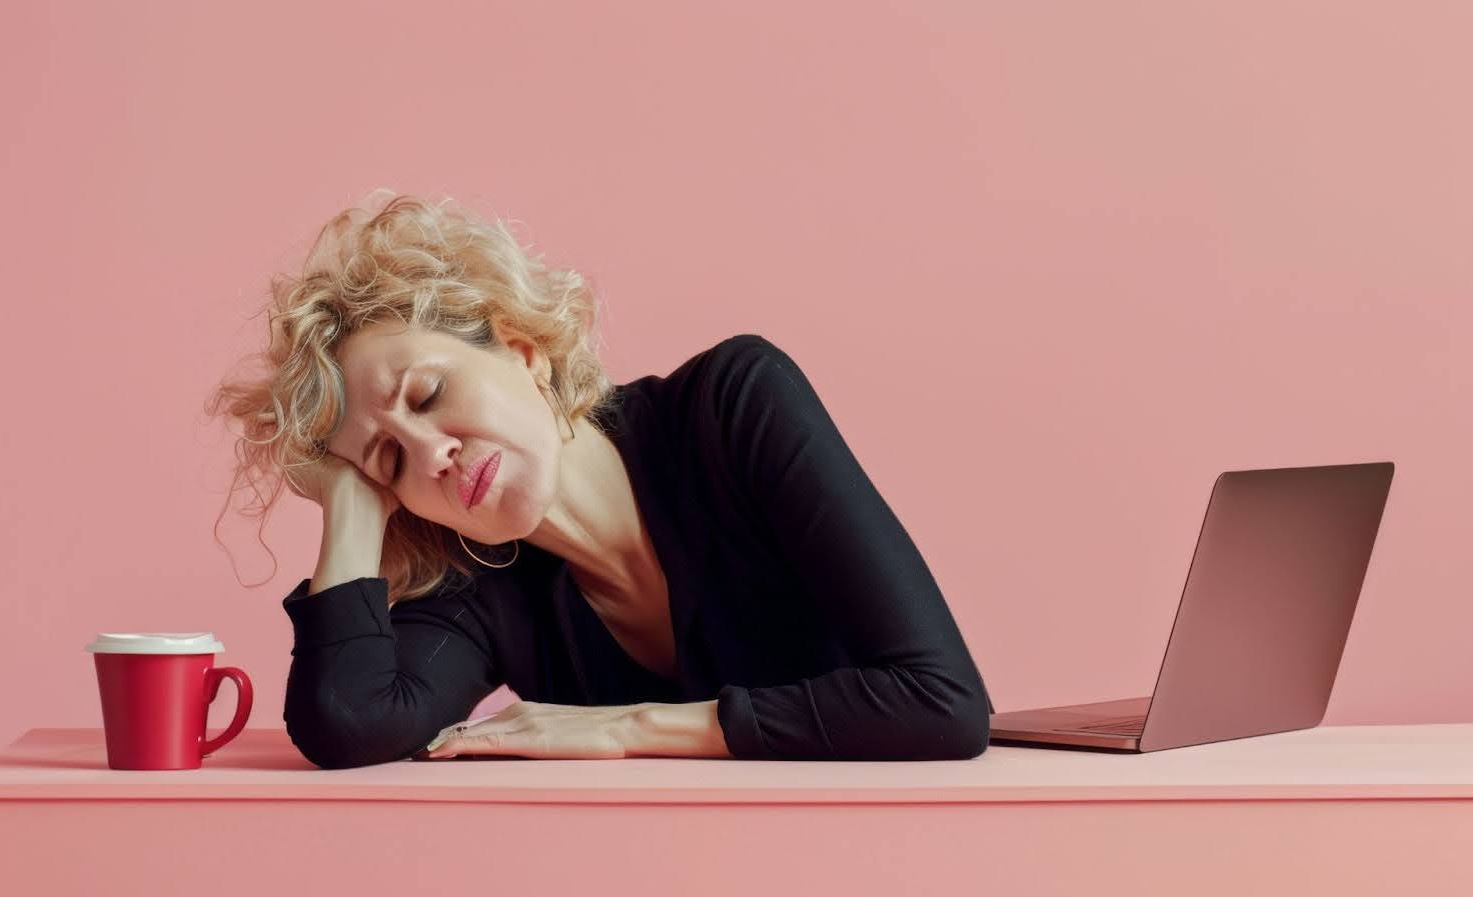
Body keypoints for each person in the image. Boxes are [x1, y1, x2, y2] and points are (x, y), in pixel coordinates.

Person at [205, 189, 994, 769]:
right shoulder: (480, 582)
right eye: (392, 462)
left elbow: (943, 703)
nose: (430, 454)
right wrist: (351, 502)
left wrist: (627, 726)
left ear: (518, 347)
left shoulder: (733, 407)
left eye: (428, 394)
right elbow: (345, 722)